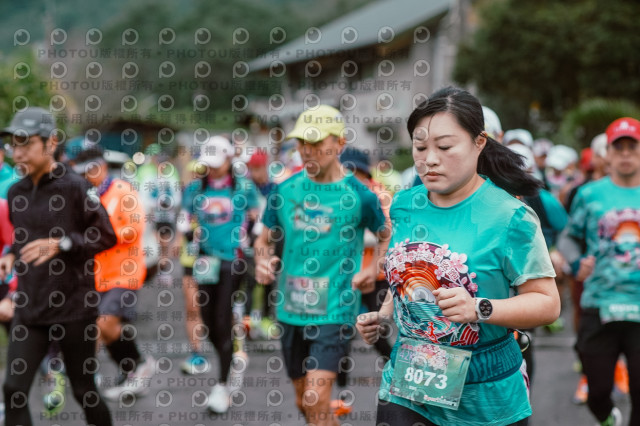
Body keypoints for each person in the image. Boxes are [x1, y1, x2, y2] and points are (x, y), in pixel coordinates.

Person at [356, 87, 560, 425]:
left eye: (445, 147)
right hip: (409, 377)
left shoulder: (510, 216)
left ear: (479, 143)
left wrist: (479, 308)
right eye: (420, 147)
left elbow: (548, 304)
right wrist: (384, 314)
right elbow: (408, 271)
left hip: (486, 391)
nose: (430, 159)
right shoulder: (405, 204)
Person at [255, 105, 389, 426]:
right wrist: (262, 260)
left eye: (316, 142)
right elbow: (263, 239)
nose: (307, 150)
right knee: (304, 402)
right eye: (302, 142)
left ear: (340, 144)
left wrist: (373, 269)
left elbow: (385, 235)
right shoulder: (285, 190)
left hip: (335, 310)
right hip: (290, 309)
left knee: (315, 397)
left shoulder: (360, 196)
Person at [0, 107, 116, 426]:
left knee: (83, 390)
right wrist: (11, 253)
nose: (17, 152)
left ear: (51, 143)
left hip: (74, 308)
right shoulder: (16, 192)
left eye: (26, 143)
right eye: (13, 144)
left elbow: (106, 234)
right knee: (14, 390)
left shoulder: (76, 186)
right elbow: (24, 238)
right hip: (31, 308)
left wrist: (62, 243)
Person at [565, 117, 640, 426]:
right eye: (618, 148)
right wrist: (575, 263)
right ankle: (608, 417)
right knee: (596, 392)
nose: (626, 154)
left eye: (632, 147)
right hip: (599, 304)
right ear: (607, 153)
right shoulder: (589, 194)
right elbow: (569, 237)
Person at [180, 135, 260, 413]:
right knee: (207, 321)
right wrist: (187, 233)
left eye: (218, 163)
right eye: (209, 164)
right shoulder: (195, 188)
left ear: (229, 159)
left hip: (232, 260)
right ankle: (229, 355)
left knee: (223, 318)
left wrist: (251, 238)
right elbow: (184, 217)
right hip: (205, 260)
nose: (213, 169)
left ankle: (223, 385)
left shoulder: (243, 187)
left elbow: (258, 215)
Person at [70, 147, 155, 401]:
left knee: (104, 323)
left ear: (103, 166)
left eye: (90, 170)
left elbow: (134, 228)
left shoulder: (122, 191)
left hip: (124, 272)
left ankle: (137, 365)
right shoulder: (85, 196)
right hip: (96, 275)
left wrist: (100, 236)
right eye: (82, 172)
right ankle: (132, 369)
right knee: (105, 328)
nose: (86, 176)